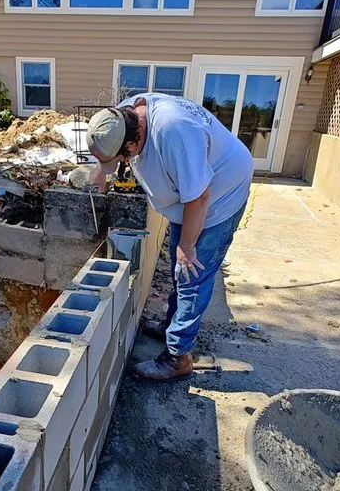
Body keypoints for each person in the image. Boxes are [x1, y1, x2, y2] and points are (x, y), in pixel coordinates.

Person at [86, 93, 253, 381]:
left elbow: (199, 197)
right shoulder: (123, 118)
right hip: (189, 198)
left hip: (219, 197)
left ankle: (178, 358)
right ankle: (172, 326)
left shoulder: (175, 133)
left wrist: (187, 247)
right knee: (178, 270)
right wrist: (101, 171)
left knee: (190, 273)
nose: (125, 162)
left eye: (123, 158)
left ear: (132, 143)